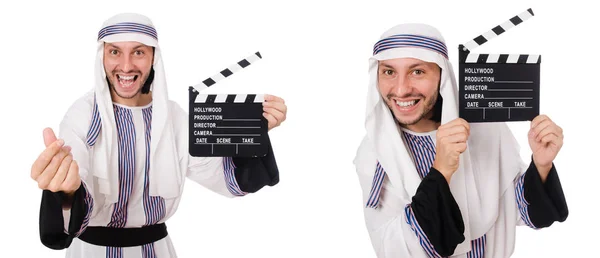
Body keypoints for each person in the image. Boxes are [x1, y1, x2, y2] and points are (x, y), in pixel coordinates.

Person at [30, 13, 287, 257]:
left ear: (153, 57)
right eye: (115, 52)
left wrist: (250, 132)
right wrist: (66, 189)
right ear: (103, 57)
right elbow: (76, 183)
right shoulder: (83, 114)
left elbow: (228, 181)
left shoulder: (173, 117)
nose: (126, 65)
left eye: (138, 52)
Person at [353, 23, 568, 258]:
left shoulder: (486, 130)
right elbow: (398, 249)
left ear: (442, 77)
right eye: (389, 72)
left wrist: (541, 164)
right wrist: (442, 169)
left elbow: (518, 212)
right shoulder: (375, 154)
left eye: (417, 71)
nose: (401, 89)